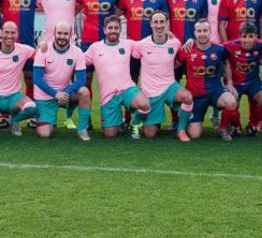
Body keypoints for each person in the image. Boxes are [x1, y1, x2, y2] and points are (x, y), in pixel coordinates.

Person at [132, 11, 193, 141]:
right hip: (150, 91)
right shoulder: (141, 45)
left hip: (169, 86)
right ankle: (137, 121)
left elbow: (179, 60)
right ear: (151, 24)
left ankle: (181, 130)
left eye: (162, 22)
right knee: (150, 134)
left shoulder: (175, 43)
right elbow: (134, 62)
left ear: (167, 24)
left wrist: (191, 40)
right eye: (156, 22)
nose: (159, 25)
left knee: (187, 97)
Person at [85, 16, 149, 139]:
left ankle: (134, 124)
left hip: (127, 89)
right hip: (108, 96)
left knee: (144, 104)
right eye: (110, 28)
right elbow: (78, 59)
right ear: (104, 30)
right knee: (110, 134)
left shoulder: (129, 44)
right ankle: (118, 120)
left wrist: (168, 36)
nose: (113, 30)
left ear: (120, 30)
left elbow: (148, 44)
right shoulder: (95, 47)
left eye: (116, 28)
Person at [181, 19, 240, 141]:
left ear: (210, 32)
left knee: (231, 102)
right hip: (195, 95)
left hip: (215, 91)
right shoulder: (187, 49)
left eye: (205, 30)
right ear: (194, 33)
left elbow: (226, 62)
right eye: (199, 31)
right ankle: (186, 118)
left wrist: (229, 82)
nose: (202, 34)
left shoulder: (219, 49)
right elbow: (174, 65)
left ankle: (223, 129)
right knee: (194, 134)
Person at [31, 21, 89, 139]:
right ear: (54, 33)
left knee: (84, 92)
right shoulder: (44, 50)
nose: (62, 37)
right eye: (60, 33)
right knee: (45, 134)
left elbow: (82, 79)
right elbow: (37, 79)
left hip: (66, 93)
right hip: (46, 96)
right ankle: (45, 116)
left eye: (65, 34)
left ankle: (82, 129)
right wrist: (55, 94)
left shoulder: (77, 52)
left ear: (71, 35)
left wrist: (66, 92)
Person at [223, 22, 262, 135]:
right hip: (235, 83)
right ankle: (236, 126)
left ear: (256, 37)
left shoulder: (261, 45)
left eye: (251, 36)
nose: (247, 40)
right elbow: (212, 47)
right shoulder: (230, 45)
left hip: (253, 82)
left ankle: (253, 124)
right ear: (239, 36)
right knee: (230, 105)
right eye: (244, 36)